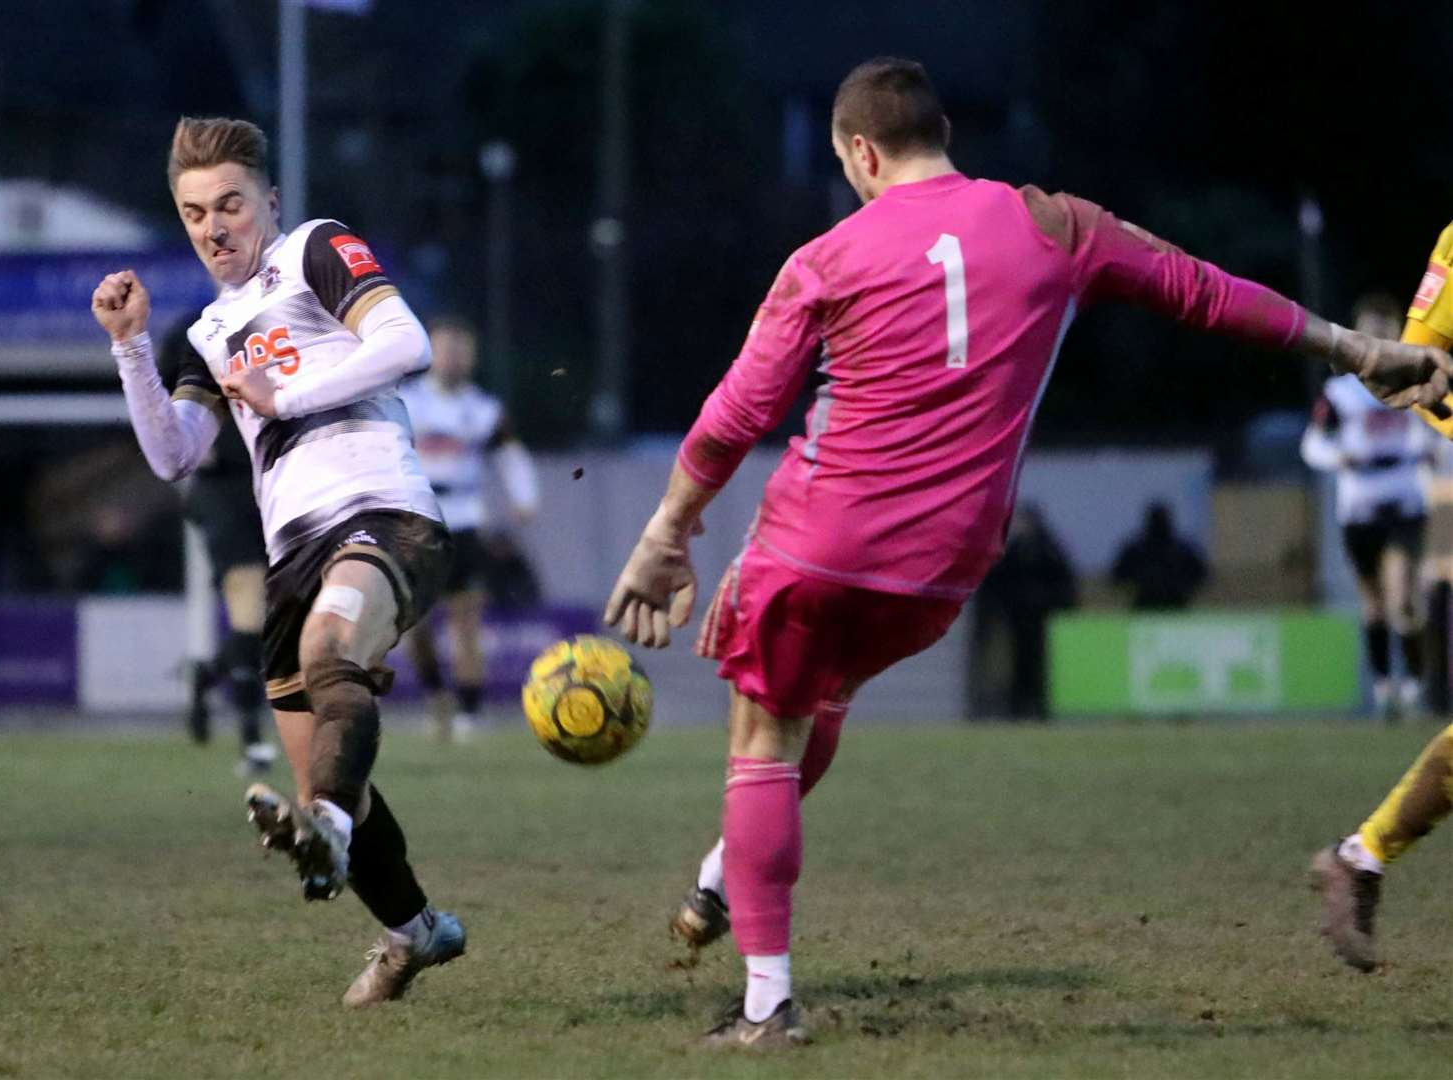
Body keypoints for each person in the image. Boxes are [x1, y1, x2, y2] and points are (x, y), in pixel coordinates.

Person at [603, 57, 1453, 1048]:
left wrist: (667, 532)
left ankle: (764, 1007)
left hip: (821, 543)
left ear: (860, 153)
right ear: (944, 133)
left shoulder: (823, 259)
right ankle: (721, 879)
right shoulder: (1057, 225)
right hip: (944, 571)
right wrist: (1357, 351)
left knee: (762, 736)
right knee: (820, 697)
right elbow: (1200, 290)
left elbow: (737, 412)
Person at [90, 116, 465, 1006]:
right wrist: (131, 347)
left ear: (271, 201)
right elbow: (176, 453)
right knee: (326, 768)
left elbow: (404, 344)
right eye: (192, 214)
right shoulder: (209, 331)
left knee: (333, 649)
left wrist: (284, 394)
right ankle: (415, 932)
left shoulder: (314, 249)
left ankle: (326, 828)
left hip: (383, 508)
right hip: (290, 550)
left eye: (229, 205)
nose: (213, 227)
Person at [1312, 226, 1453, 973]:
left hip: (1395, 506)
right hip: (1364, 507)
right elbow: (1416, 376)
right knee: (1382, 604)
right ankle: (1362, 853)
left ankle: (1360, 855)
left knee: (1397, 601)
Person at [400, 316, 539, 741]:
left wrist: (525, 497)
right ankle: (434, 693)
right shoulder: (406, 401)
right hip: (417, 519)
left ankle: (469, 710)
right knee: (413, 624)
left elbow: (510, 454)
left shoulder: (484, 409)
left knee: (465, 620)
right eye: (446, 347)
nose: (454, 357)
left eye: (462, 349)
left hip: (465, 519)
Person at [1301, 292, 1434, 720]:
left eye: (1386, 332)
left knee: (1401, 597)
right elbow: (1313, 443)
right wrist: (1337, 457)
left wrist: (1429, 451)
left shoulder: (1418, 380)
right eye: (1370, 332)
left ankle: (1414, 681)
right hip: (1359, 502)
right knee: (1373, 601)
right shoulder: (1340, 393)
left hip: (1403, 497)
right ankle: (1383, 686)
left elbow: (1437, 432)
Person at [157, 310, 278, 774]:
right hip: (222, 490)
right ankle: (252, 740)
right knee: (248, 606)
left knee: (275, 621)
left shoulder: (294, 319)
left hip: (277, 482)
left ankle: (206, 675)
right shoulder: (195, 329)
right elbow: (152, 389)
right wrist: (182, 432)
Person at [973, 504, 1078, 719]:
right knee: (1016, 664)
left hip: (1040, 618)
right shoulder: (1016, 550)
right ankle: (1017, 706)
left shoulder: (1047, 548)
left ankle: (1038, 706)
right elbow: (996, 582)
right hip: (1017, 618)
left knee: (1039, 663)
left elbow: (1063, 581)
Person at [1110, 501, 1208, 610]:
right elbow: (1117, 576)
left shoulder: (1182, 549)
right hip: (1146, 605)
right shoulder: (1136, 549)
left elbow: (1201, 575)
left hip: (1175, 604)